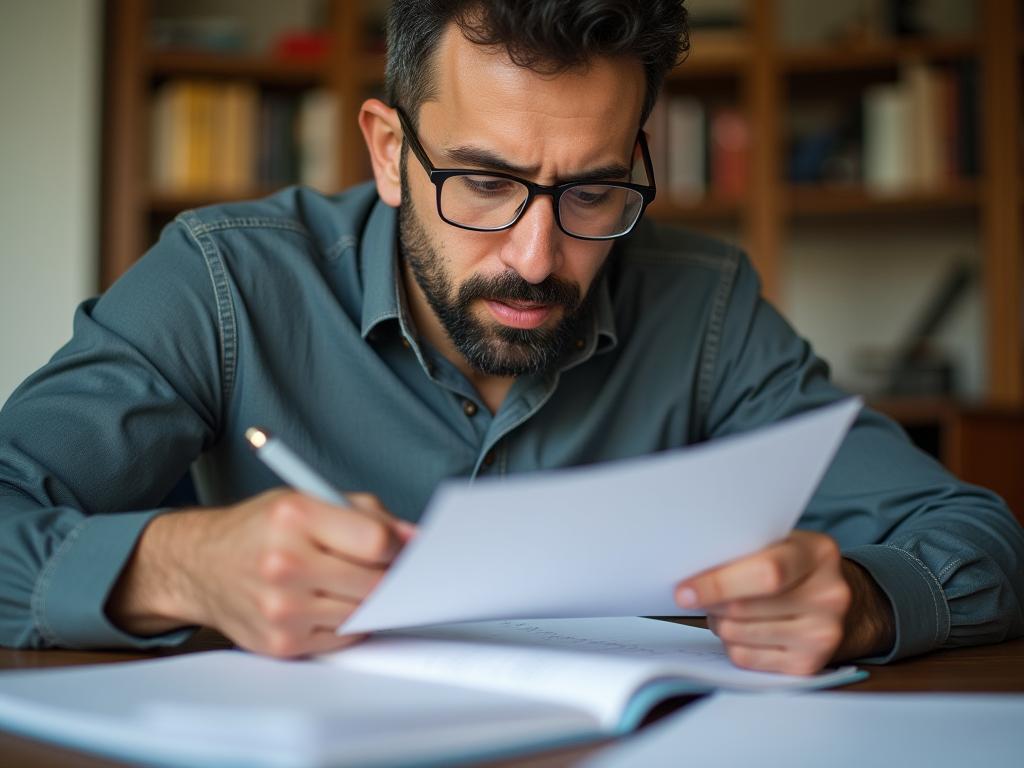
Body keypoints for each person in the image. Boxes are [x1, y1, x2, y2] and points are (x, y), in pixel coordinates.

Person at [1, 0, 1022, 676]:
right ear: (391, 151)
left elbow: (978, 537)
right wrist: (172, 567)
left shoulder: (701, 303)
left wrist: (861, 605)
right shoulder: (226, 280)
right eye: (484, 183)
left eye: (592, 189)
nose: (537, 256)